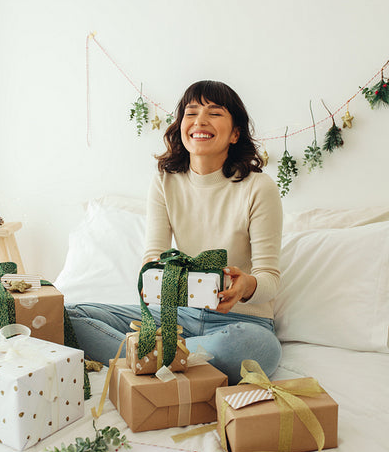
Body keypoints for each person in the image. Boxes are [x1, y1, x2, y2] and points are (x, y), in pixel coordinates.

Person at [67, 80, 283, 384]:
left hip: (242, 322)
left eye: (215, 113)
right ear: (181, 125)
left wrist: (245, 285)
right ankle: (167, 356)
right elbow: (153, 255)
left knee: (253, 348)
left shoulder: (259, 187)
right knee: (69, 314)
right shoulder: (164, 181)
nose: (200, 121)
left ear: (235, 133)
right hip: (177, 318)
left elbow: (270, 278)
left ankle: (145, 356)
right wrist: (150, 277)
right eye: (191, 113)